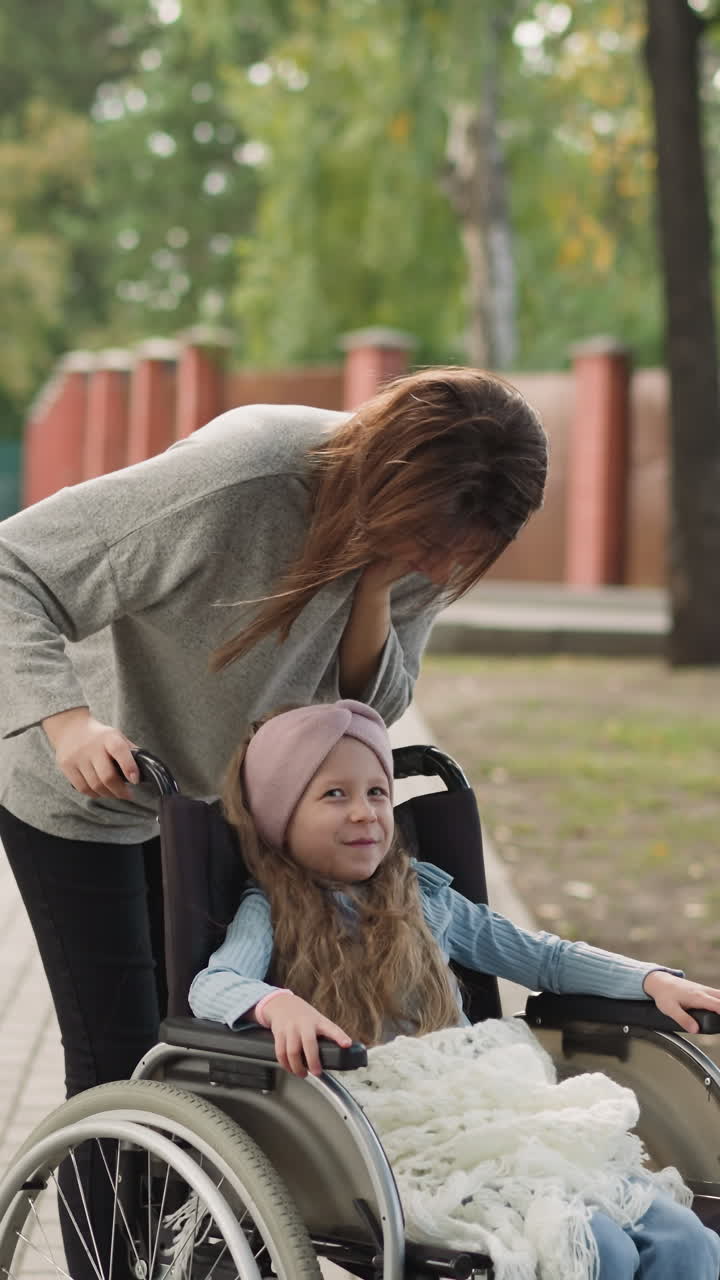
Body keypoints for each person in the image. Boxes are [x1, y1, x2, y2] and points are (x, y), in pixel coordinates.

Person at [0, 368, 547, 1272]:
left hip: (217, 803)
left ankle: (186, 1249)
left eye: (456, 552)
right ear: (388, 477)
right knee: (118, 1055)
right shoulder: (242, 481)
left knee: (213, 1055)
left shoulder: (428, 532)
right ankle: (113, 1262)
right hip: (83, 784)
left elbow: (372, 708)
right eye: (428, 541)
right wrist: (68, 721)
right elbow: (15, 564)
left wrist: (373, 586)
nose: (439, 566)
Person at [190, 699, 720, 1280]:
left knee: (683, 1239)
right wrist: (273, 1002)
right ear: (278, 816)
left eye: (376, 793)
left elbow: (541, 956)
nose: (366, 813)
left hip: (495, 1113)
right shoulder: (268, 911)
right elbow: (215, 985)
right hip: (388, 1138)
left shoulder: (423, 897)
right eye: (334, 795)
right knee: (597, 1250)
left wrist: (646, 978)